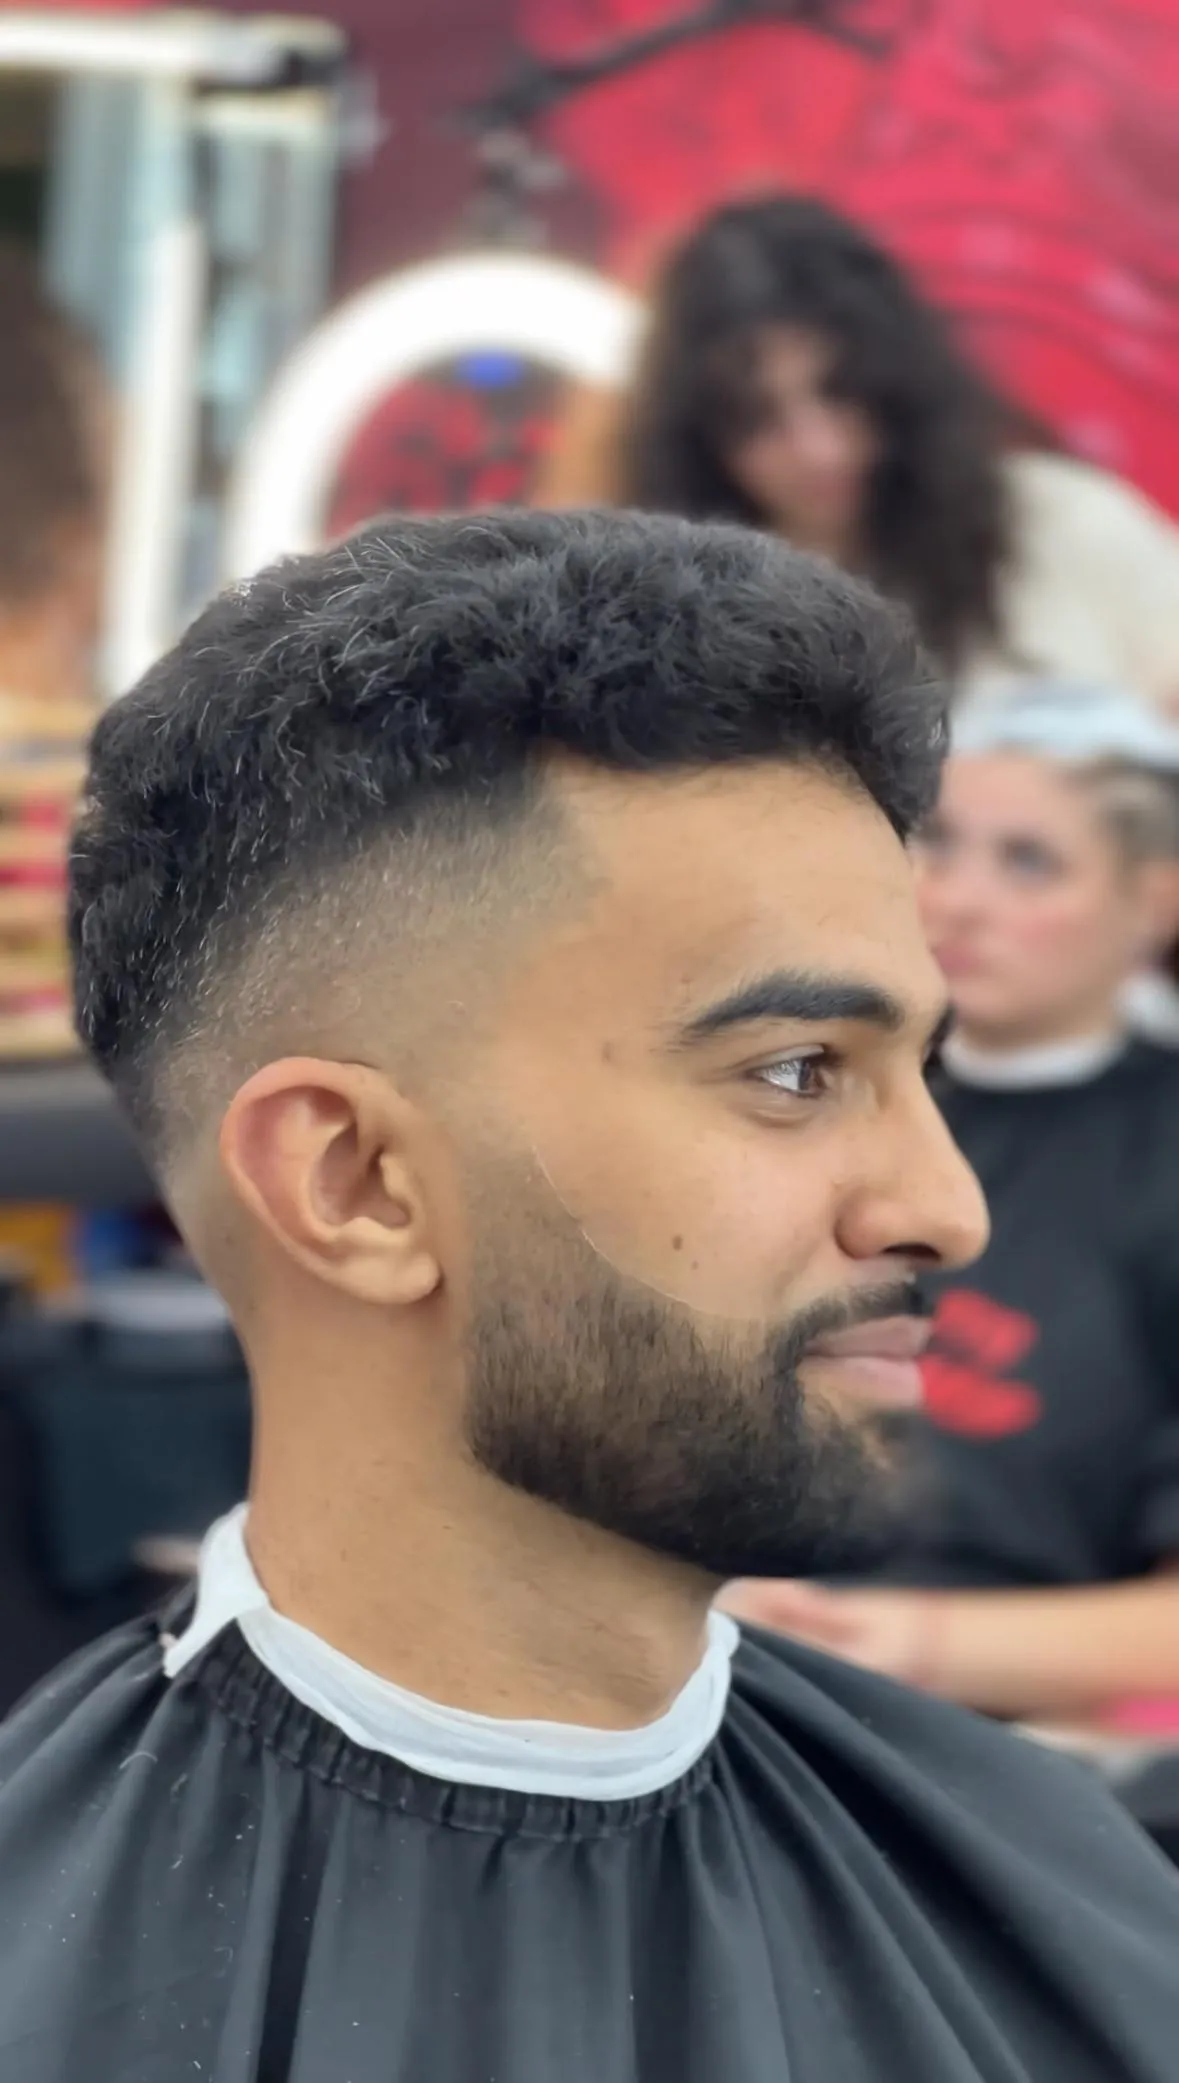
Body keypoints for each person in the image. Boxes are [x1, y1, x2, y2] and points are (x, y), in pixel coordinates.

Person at [3, 512, 1179, 2083]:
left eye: (923, 1069)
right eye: (790, 1070)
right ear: (354, 1182)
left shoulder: (1060, 1888)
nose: (945, 1207)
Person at [727, 683, 1179, 1732]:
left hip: (1000, 1734)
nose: (959, 900)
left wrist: (908, 1643)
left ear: (1154, 900)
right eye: (940, 844)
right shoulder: (780, 1081)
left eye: (1030, 862)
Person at [539, 196, 1179, 707]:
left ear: (899, 375)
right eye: (757, 420)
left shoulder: (1062, 521)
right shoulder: (670, 617)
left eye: (842, 391)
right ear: (699, 440)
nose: (818, 451)